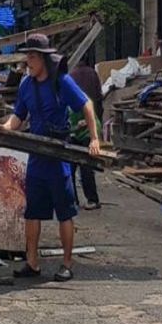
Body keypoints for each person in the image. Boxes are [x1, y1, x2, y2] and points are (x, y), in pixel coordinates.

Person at [0, 33, 100, 282]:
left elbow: (86, 105)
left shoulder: (61, 82)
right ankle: (32, 263)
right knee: (32, 212)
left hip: (58, 157)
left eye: (32, 57)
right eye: (27, 58)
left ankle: (66, 264)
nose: (28, 63)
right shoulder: (25, 85)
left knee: (65, 212)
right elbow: (18, 117)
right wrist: (5, 129)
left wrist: (94, 138)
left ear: (44, 59)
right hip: (36, 157)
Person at [69, 57, 103, 210]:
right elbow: (99, 97)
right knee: (78, 167)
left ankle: (87, 200)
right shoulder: (92, 74)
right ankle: (78, 199)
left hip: (87, 130)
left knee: (82, 166)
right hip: (82, 130)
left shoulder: (71, 78)